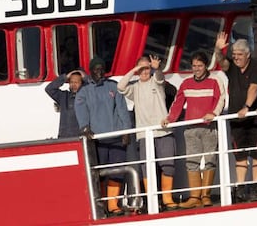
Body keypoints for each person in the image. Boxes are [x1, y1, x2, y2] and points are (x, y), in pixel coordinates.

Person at [161, 51, 225, 209]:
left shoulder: (215, 81)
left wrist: (214, 113)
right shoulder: (186, 83)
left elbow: (221, 99)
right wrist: (169, 119)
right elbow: (177, 103)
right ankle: (195, 197)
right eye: (194, 66)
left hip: (209, 127)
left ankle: (206, 196)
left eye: (200, 66)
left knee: (210, 161)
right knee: (192, 162)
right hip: (190, 128)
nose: (196, 69)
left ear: (206, 66)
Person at [117, 55, 178, 211]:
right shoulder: (134, 87)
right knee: (147, 168)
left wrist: (156, 68)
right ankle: (152, 200)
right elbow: (120, 87)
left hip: (163, 131)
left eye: (147, 68)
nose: (145, 71)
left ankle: (167, 199)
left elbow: (160, 78)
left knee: (168, 165)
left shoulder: (156, 82)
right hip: (144, 134)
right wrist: (135, 69)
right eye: (141, 68)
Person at [75, 56, 132, 216]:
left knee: (117, 171)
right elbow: (81, 110)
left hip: (116, 137)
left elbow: (122, 109)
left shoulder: (113, 87)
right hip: (97, 140)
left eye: (102, 69)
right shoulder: (84, 91)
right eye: (96, 69)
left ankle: (113, 204)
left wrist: (126, 131)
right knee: (98, 173)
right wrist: (84, 127)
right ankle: (100, 205)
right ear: (91, 71)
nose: (99, 72)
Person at [215, 32, 257, 202]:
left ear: (248, 55)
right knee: (240, 154)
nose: (236, 59)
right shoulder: (232, 67)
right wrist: (218, 49)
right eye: (234, 55)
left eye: (239, 55)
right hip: (237, 119)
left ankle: (256, 187)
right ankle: (239, 188)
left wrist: (247, 107)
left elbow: (254, 88)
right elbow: (222, 62)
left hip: (256, 118)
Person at [45, 69, 86, 138]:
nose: (73, 85)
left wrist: (85, 78)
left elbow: (95, 89)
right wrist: (65, 77)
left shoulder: (87, 97)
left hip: (81, 138)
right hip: (64, 137)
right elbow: (49, 89)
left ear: (82, 83)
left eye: (76, 82)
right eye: (71, 82)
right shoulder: (63, 96)